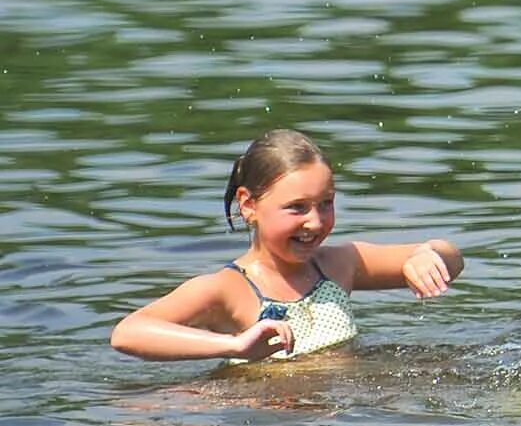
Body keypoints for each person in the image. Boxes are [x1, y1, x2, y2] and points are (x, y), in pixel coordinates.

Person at [110, 129, 464, 363]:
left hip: (339, 425)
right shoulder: (228, 289)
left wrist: (426, 256)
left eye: (326, 203)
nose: (315, 221)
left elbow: (452, 256)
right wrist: (234, 347)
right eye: (297, 207)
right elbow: (128, 333)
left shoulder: (340, 265)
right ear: (248, 205)